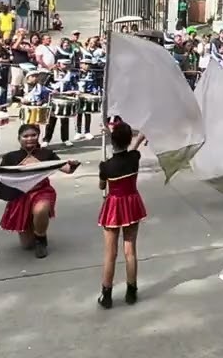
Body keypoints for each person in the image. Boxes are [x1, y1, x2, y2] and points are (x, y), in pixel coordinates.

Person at [0, 124, 78, 258]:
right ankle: (35, 229)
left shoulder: (46, 154)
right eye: (26, 136)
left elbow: (67, 169)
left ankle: (41, 239)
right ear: (19, 138)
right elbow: (2, 177)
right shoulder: (10, 157)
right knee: (27, 246)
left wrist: (73, 165)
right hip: (20, 195)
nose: (30, 139)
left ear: (38, 136)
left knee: (40, 210)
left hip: (42, 191)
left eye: (33, 135)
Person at [97, 120, 148, 309]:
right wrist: (140, 136)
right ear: (129, 140)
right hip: (132, 204)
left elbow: (102, 186)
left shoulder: (106, 166)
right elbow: (133, 147)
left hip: (113, 206)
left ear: (112, 141)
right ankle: (131, 292)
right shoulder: (135, 157)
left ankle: (107, 294)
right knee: (130, 251)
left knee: (110, 253)